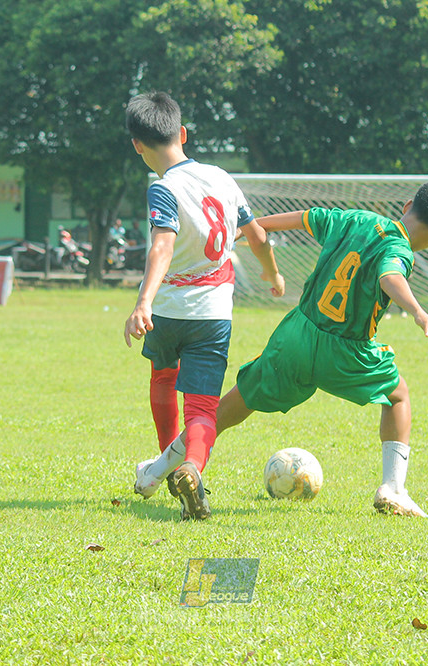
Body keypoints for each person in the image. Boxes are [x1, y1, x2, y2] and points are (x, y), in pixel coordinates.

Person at [135, 181, 428, 518]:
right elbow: (390, 275)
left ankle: (154, 473)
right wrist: (419, 312)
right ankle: (393, 489)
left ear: (407, 205)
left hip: (296, 337)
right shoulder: (400, 249)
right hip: (346, 353)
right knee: (398, 397)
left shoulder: (356, 219)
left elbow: (303, 218)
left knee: (225, 410)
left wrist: (251, 227)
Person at [123, 91, 285, 521]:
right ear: (182, 133)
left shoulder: (163, 189)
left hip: (169, 310)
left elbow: (162, 246)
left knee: (161, 375)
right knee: (201, 408)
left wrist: (143, 302)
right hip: (213, 314)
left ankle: (165, 459)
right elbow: (258, 237)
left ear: (137, 145)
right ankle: (190, 466)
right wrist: (272, 275)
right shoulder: (221, 178)